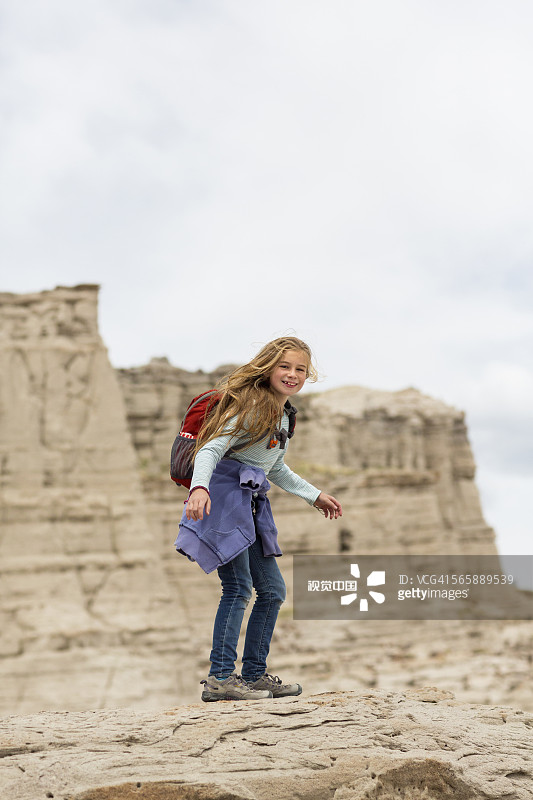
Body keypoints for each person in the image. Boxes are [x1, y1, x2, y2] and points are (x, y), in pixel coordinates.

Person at [174, 336, 342, 701]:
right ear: (268, 368)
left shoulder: (283, 414)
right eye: (284, 366)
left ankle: (252, 676)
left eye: (300, 369)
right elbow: (210, 449)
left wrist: (314, 495)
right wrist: (198, 489)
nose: (292, 374)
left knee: (273, 591)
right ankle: (220, 678)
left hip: (250, 504)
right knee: (237, 588)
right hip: (223, 500)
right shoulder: (254, 407)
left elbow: (274, 466)